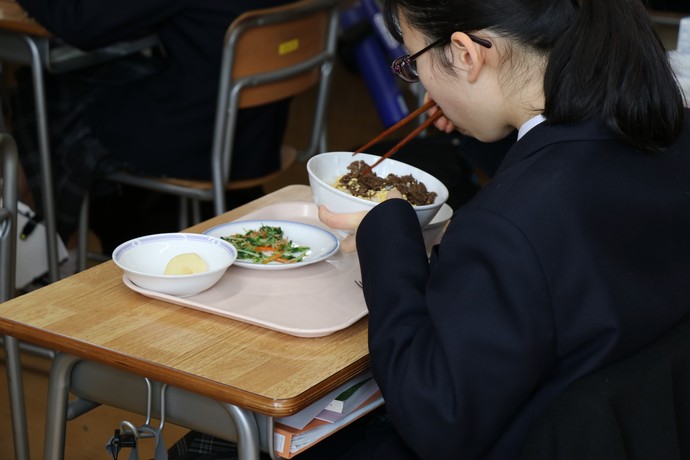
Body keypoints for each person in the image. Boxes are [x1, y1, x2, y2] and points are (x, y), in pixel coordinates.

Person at [311, 0, 690, 458]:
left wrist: (389, 234)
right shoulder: (671, 134)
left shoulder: (509, 225)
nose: (424, 86)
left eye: (414, 64)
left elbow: (434, 419)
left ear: (467, 55)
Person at [11, 0, 294, 251]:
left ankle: (58, 249)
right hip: (258, 134)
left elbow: (79, 24)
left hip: (199, 141)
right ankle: (59, 236)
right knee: (98, 81)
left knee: (44, 96)